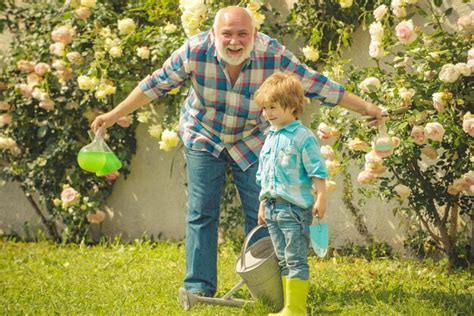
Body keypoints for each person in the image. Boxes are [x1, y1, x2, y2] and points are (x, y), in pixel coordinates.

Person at [91, 6, 382, 298]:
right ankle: (198, 289)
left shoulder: (272, 54)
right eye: (227, 34)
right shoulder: (195, 51)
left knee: (266, 211)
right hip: (203, 134)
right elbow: (155, 84)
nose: (234, 41)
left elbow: (316, 84)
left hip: (252, 140)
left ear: (254, 34)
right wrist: (114, 114)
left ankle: (267, 288)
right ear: (213, 34)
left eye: (243, 34)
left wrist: (366, 108)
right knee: (202, 210)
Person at [255, 72, 326, 315]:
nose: (268, 113)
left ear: (292, 105)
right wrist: (263, 204)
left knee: (295, 259)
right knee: (283, 259)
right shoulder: (270, 137)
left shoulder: (302, 137)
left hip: (294, 209)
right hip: (273, 208)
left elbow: (316, 169)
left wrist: (321, 196)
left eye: (273, 107)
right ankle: (289, 307)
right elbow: (265, 175)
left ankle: (295, 309)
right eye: (264, 108)